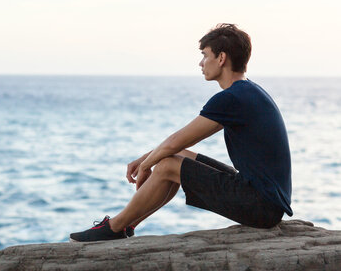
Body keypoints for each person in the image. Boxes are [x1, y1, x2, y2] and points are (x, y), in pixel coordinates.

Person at [69, 23, 293, 242]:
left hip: (261, 206)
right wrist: (145, 159)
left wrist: (146, 165)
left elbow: (176, 140)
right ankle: (127, 225)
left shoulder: (232, 98)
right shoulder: (247, 91)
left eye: (205, 55)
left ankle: (114, 226)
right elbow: (178, 146)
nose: (201, 63)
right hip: (265, 200)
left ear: (222, 58)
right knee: (178, 157)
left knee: (167, 165)